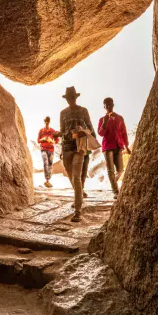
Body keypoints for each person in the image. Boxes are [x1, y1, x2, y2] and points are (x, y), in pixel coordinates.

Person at [59, 86, 95, 222]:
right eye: (68, 98)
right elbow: (62, 130)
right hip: (67, 147)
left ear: (75, 97)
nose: (70, 99)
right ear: (66, 98)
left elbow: (90, 128)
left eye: (72, 97)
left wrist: (83, 129)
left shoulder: (83, 111)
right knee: (71, 176)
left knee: (76, 177)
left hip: (79, 147)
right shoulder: (63, 113)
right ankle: (78, 196)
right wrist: (60, 134)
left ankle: (78, 210)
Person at [97, 97, 131, 197]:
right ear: (104, 106)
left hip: (118, 146)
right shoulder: (102, 119)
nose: (108, 106)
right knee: (110, 170)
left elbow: (124, 132)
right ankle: (115, 191)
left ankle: (112, 183)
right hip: (107, 147)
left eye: (110, 104)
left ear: (113, 105)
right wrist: (104, 123)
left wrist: (127, 146)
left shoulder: (120, 118)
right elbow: (100, 133)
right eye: (106, 105)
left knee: (120, 169)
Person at [38, 116, 60, 188]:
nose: (47, 123)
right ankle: (46, 179)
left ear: (49, 122)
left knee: (50, 165)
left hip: (51, 149)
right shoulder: (41, 131)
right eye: (46, 122)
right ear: (44, 122)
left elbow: (57, 140)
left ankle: (48, 180)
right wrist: (43, 139)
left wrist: (52, 141)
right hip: (43, 148)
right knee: (45, 162)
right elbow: (38, 140)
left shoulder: (53, 131)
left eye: (48, 122)